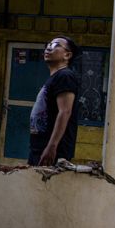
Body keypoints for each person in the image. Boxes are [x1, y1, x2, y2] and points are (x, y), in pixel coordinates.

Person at [28, 36, 80, 166]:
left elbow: (65, 111)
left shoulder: (65, 76)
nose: (48, 48)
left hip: (54, 151)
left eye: (55, 45)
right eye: (48, 44)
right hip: (40, 146)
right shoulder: (55, 77)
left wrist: (52, 146)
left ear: (67, 55)